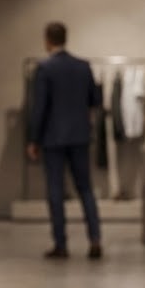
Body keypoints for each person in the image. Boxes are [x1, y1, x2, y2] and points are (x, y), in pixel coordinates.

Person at [27, 22, 102, 260]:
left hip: (53, 137)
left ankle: (61, 244)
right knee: (86, 189)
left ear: (48, 39)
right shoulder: (83, 66)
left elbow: (39, 107)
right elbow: (95, 100)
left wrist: (33, 139)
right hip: (80, 135)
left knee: (56, 190)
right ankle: (95, 239)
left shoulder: (45, 68)